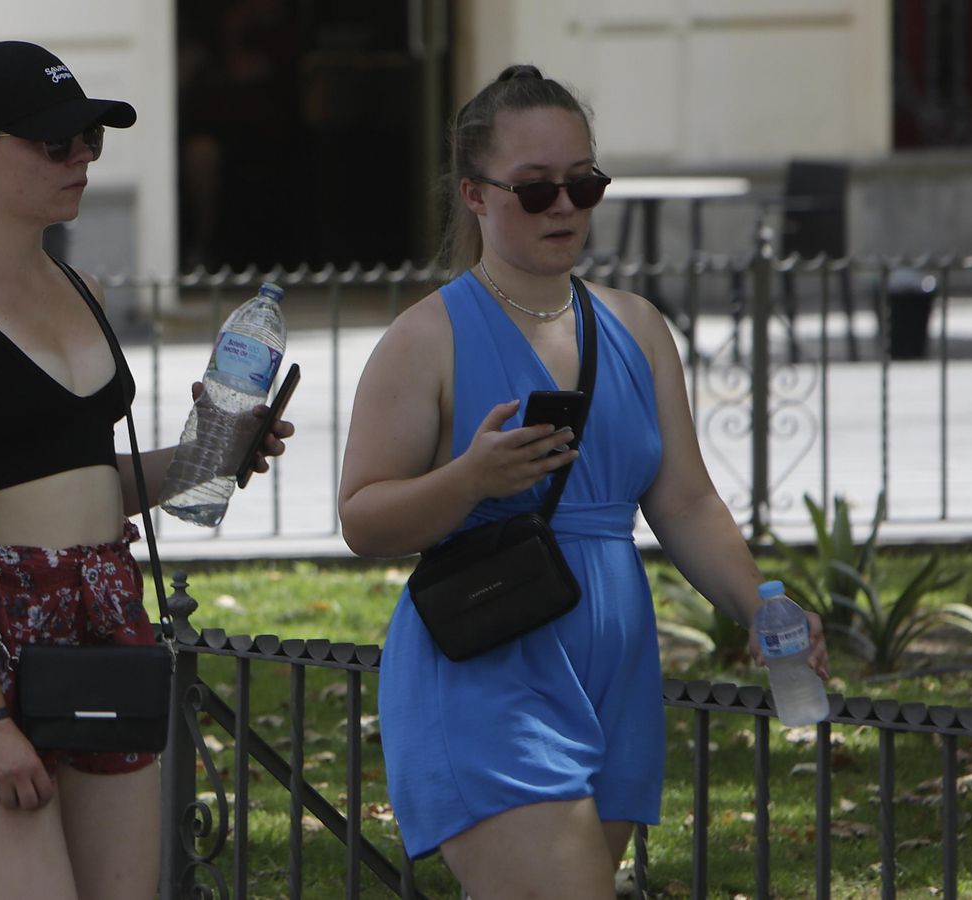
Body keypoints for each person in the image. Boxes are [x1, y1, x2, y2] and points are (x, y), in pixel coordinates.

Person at [336, 65, 830, 898]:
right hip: (487, 668)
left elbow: (685, 500)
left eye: (583, 183)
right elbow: (362, 517)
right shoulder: (426, 338)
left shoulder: (636, 325)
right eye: (535, 190)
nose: (565, 206)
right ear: (475, 195)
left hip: (614, 672)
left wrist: (761, 603)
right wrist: (468, 479)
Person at [0, 39, 292, 899]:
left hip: (100, 619)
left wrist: (213, 456)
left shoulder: (81, 290)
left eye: (89, 141)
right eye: (55, 143)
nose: (82, 161)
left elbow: (90, 483)